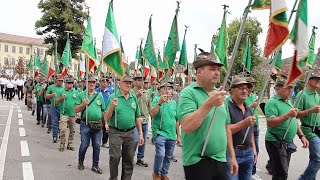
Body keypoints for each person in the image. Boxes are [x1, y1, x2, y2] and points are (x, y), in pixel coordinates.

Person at [178, 51, 238, 180]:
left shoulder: (221, 96)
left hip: (220, 159)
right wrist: (209, 103)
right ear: (199, 72)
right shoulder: (188, 93)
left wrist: (232, 156)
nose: (217, 72)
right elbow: (187, 126)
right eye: (212, 69)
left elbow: (226, 127)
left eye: (218, 69)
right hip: (198, 161)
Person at [264, 76, 309, 180]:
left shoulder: (288, 101)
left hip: (286, 142)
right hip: (275, 141)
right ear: (278, 88)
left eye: (292, 88)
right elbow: (271, 122)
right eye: (288, 87)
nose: (291, 90)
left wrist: (301, 135)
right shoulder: (272, 102)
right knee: (281, 174)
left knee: (282, 172)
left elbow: (293, 121)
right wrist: (287, 115)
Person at [104, 76, 144, 180]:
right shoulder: (113, 97)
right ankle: (113, 177)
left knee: (129, 159)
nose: (129, 85)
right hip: (115, 132)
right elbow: (106, 117)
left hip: (130, 132)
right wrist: (112, 106)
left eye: (130, 83)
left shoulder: (133, 97)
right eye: (126, 82)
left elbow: (137, 116)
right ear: (119, 84)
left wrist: (140, 133)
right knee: (115, 157)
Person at [225, 76, 257, 180]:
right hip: (232, 152)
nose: (244, 91)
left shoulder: (248, 109)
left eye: (247, 88)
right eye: (241, 88)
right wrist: (244, 123)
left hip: (248, 153)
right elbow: (226, 130)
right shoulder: (226, 107)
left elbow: (250, 130)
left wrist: (254, 149)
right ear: (232, 90)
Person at [74, 74, 106, 174]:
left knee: (97, 146)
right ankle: (80, 161)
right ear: (85, 83)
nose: (92, 84)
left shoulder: (99, 95)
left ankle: (95, 165)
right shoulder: (81, 95)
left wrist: (106, 123)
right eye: (90, 82)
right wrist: (83, 104)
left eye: (93, 82)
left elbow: (103, 111)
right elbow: (75, 109)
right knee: (84, 144)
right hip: (85, 124)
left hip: (97, 125)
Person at [150, 82, 180, 180]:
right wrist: (159, 103)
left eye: (170, 88)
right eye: (164, 88)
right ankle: (156, 172)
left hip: (172, 134)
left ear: (172, 91)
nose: (167, 90)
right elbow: (152, 114)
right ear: (160, 90)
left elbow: (177, 120)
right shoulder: (156, 100)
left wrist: (178, 136)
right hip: (160, 132)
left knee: (168, 156)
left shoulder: (174, 103)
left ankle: (164, 173)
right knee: (160, 154)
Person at [296, 72, 320, 180]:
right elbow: (295, 113)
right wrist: (311, 110)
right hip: (309, 130)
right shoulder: (302, 94)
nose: (318, 81)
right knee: (317, 159)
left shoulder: (317, 95)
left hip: (318, 128)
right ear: (309, 80)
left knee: (315, 158)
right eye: (316, 78)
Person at [131, 75, 150, 167]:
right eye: (138, 80)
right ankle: (130, 156)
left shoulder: (147, 93)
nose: (141, 82)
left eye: (142, 80)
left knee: (143, 141)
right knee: (135, 139)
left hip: (145, 120)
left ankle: (140, 158)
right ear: (134, 82)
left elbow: (148, 105)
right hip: (135, 119)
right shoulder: (131, 92)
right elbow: (129, 103)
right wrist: (136, 95)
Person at [55, 76, 78, 152]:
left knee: (72, 130)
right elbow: (56, 102)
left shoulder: (76, 92)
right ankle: (62, 143)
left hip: (73, 114)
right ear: (66, 83)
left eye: (71, 83)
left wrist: (78, 112)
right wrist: (61, 98)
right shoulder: (61, 91)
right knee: (63, 129)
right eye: (68, 83)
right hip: (64, 114)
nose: (70, 84)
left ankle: (70, 143)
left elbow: (78, 103)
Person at [46, 74, 64, 143]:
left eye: (62, 81)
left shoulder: (64, 88)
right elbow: (46, 96)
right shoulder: (51, 87)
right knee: (55, 122)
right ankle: (55, 136)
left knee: (62, 123)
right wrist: (51, 95)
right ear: (56, 80)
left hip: (62, 108)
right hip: (54, 107)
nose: (60, 82)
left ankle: (60, 134)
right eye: (59, 80)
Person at [95, 75, 113, 148]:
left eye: (106, 81)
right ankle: (97, 141)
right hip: (99, 110)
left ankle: (105, 141)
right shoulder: (97, 91)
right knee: (99, 126)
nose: (105, 83)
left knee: (106, 127)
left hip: (107, 111)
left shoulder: (110, 91)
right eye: (103, 81)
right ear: (100, 82)